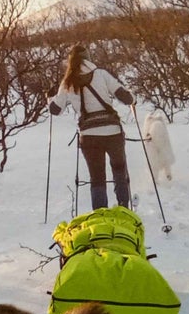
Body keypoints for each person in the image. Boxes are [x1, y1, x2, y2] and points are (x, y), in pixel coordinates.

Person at [50, 44, 134, 211]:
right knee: (119, 171)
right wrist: (132, 98)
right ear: (88, 58)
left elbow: (55, 110)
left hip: (89, 136)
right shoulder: (101, 74)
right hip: (113, 133)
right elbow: (126, 97)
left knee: (97, 177)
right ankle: (124, 208)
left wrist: (51, 98)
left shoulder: (67, 82)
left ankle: (100, 214)